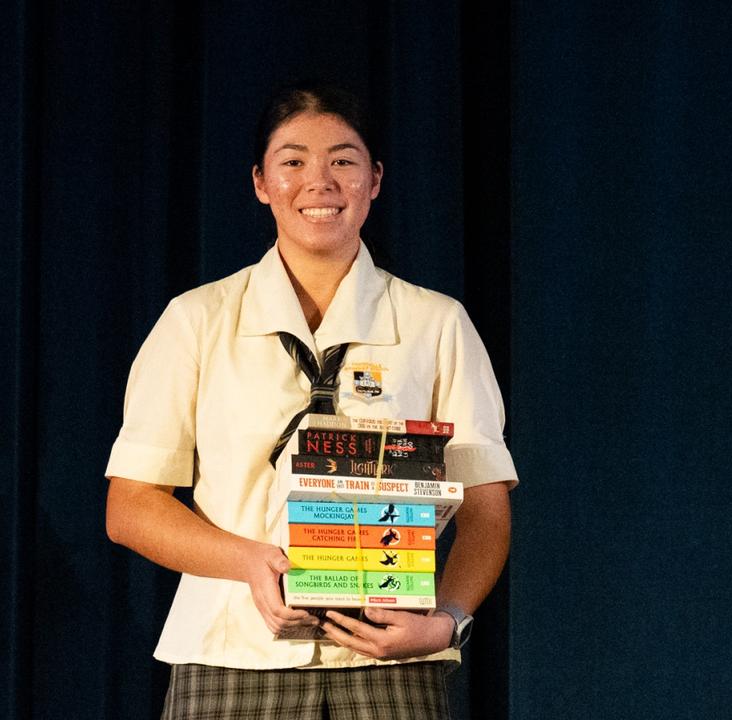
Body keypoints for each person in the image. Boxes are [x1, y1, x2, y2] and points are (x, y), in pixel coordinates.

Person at [104, 82, 517, 719]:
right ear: (261, 183)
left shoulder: (437, 323)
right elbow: (131, 506)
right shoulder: (197, 319)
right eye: (292, 162)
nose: (318, 182)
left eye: (343, 161)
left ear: (374, 180)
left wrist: (447, 622)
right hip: (230, 651)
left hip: (391, 660)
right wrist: (249, 562)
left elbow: (485, 507)